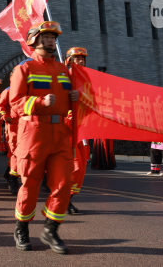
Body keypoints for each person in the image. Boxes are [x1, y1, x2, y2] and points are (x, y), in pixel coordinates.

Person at [9, 21, 78, 254]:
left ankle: (51, 229)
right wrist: (38, 102)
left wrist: (75, 97)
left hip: (60, 135)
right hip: (34, 134)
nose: (51, 40)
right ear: (34, 40)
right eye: (46, 36)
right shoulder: (24, 69)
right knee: (29, 185)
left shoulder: (63, 70)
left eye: (53, 37)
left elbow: (68, 100)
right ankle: (21, 228)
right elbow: (15, 104)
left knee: (64, 184)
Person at [64, 47, 90, 214]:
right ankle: (64, 200)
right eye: (77, 58)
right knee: (75, 166)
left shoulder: (88, 79)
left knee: (81, 169)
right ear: (68, 61)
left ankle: (68, 198)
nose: (80, 61)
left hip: (83, 129)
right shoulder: (63, 78)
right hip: (67, 130)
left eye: (82, 59)